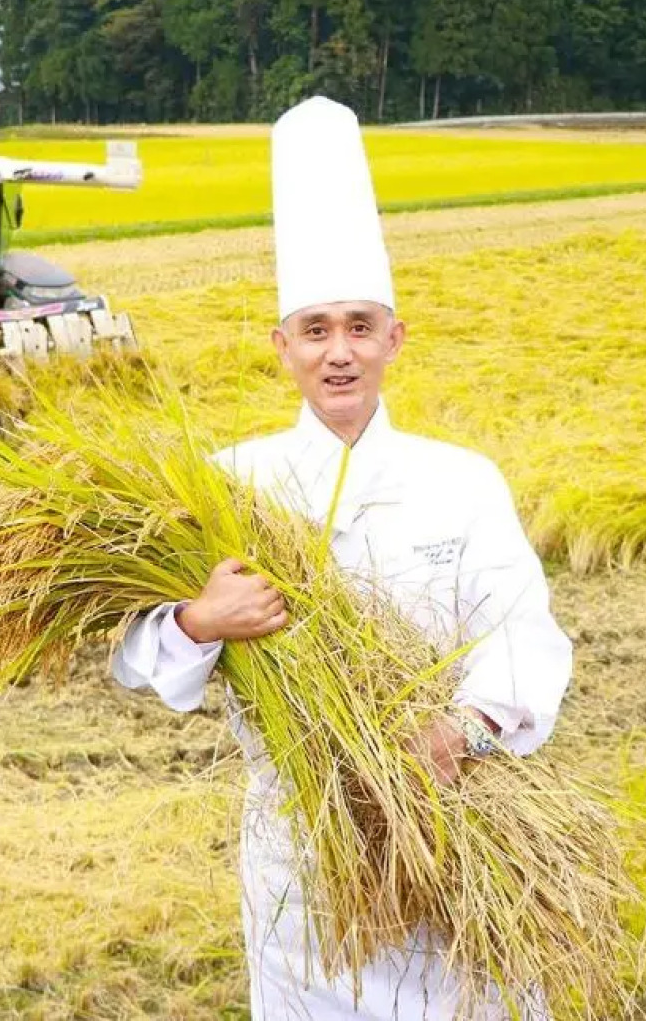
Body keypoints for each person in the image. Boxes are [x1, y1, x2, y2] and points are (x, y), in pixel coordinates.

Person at [111, 96, 573, 1020]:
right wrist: (202, 622)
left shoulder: (461, 479)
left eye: (360, 326)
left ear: (395, 339)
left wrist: (458, 735)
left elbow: (524, 631)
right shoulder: (226, 485)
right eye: (315, 329)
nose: (339, 352)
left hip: (452, 812)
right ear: (280, 347)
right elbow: (130, 658)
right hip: (299, 836)